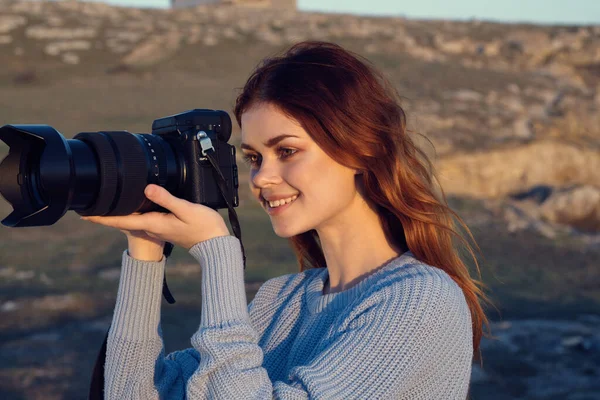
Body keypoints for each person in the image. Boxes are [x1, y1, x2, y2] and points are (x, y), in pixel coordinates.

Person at [83, 40, 489, 399]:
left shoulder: (420, 301)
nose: (262, 178)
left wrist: (218, 252)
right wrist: (145, 252)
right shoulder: (281, 301)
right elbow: (127, 393)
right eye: (255, 158)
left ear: (360, 149)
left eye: (287, 151)